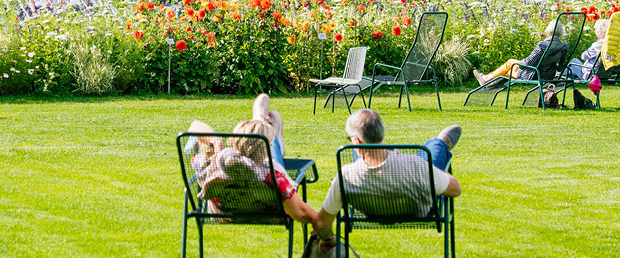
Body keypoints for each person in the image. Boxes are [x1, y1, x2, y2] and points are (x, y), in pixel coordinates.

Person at [311, 109, 462, 239]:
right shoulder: (417, 166)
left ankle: (373, 153)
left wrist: (328, 239)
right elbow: (455, 189)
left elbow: (323, 221)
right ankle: (441, 142)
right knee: (432, 149)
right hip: (418, 210)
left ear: (356, 141)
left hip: (372, 210)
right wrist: (439, 173)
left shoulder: (345, 176)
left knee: (365, 157)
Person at [184, 118, 321, 237]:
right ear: (267, 146)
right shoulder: (273, 176)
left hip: (222, 215)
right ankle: (274, 123)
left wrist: (217, 140)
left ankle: (268, 117)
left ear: (233, 142)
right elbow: (301, 213)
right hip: (271, 217)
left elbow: (195, 125)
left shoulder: (215, 169)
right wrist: (321, 223)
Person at [472, 20, 571, 85]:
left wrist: (519, 63)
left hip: (534, 75)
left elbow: (528, 63)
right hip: (548, 76)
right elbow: (560, 66)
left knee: (511, 63)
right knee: (508, 70)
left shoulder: (543, 45)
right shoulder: (563, 47)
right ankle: (490, 81)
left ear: (548, 31)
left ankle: (487, 79)